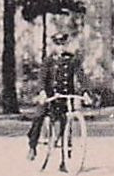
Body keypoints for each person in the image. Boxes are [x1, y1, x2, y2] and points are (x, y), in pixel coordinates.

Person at [27, 32, 87, 161]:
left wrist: (85, 92)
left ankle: (64, 159)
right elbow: (42, 78)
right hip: (50, 97)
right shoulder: (49, 60)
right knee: (38, 116)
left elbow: (81, 76)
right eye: (58, 44)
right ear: (54, 45)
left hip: (65, 96)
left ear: (66, 45)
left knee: (67, 123)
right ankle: (32, 146)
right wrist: (42, 91)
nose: (61, 47)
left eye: (63, 44)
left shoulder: (73, 60)